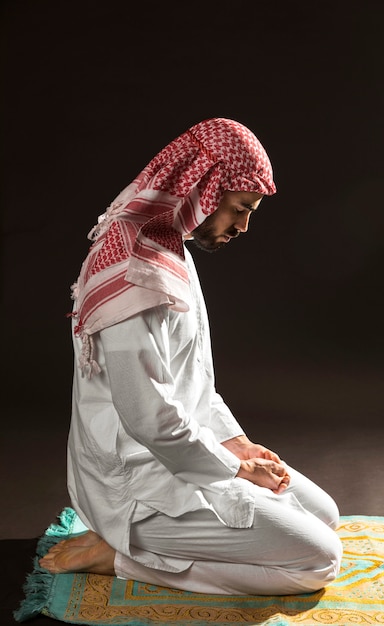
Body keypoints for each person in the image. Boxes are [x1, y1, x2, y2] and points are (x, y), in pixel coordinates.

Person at [40, 118, 342, 595]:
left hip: (184, 448)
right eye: (241, 208)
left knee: (325, 513)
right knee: (317, 563)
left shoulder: (170, 244)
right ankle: (120, 553)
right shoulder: (132, 266)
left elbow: (192, 379)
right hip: (132, 482)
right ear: (203, 187)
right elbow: (148, 418)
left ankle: (161, 541)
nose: (243, 226)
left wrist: (236, 443)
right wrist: (238, 469)